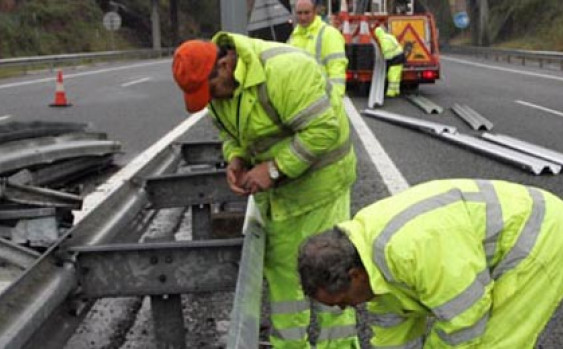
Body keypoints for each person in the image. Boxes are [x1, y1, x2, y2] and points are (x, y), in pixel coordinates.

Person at [172, 32, 358, 348]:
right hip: (281, 195)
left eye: (211, 90)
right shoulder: (219, 94)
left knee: (331, 273)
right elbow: (230, 132)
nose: (212, 99)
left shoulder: (285, 71)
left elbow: (324, 130)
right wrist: (236, 158)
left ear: (225, 63)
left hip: (323, 185)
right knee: (284, 279)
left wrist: (272, 169)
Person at [298, 179, 563, 348]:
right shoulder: (368, 262)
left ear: (354, 276)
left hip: (538, 236)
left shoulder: (411, 251)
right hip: (508, 236)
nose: (343, 310)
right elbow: (394, 335)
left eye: (340, 302)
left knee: (494, 343)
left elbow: (465, 324)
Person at [287, 0, 348, 110]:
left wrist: (335, 102)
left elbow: (337, 70)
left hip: (323, 101)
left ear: (315, 12)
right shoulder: (294, 36)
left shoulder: (329, 34)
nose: (303, 17)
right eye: (299, 13)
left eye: (306, 13)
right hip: (300, 103)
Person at [373, 26, 405, 97]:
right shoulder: (388, 36)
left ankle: (390, 93)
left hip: (396, 58)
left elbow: (387, 55)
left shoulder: (383, 40)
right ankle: (396, 91)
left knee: (392, 75)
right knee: (396, 76)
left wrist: (385, 64)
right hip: (399, 56)